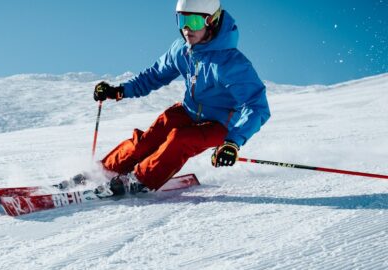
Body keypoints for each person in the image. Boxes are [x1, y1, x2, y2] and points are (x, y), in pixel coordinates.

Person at [93, 0, 271, 195]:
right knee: (149, 139)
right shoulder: (181, 50)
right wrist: (119, 90)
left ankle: (139, 180)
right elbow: (154, 76)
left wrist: (232, 142)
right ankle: (103, 171)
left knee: (180, 139)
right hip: (188, 110)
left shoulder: (231, 64)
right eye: (181, 20)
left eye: (193, 21)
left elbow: (256, 106)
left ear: (211, 21)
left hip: (220, 124)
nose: (186, 28)